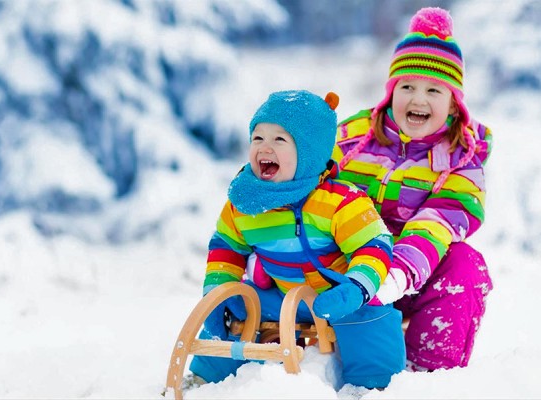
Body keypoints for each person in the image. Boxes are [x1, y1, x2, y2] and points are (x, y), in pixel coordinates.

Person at [187, 90, 406, 390]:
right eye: (258, 138)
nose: (265, 147)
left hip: (338, 297)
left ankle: (374, 385)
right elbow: (227, 247)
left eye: (279, 140)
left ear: (309, 153)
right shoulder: (246, 204)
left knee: (372, 316)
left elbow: (374, 245)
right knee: (235, 303)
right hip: (281, 295)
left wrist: (356, 287)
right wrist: (218, 289)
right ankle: (206, 377)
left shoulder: (339, 201)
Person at [331, 7, 493, 372]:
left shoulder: (461, 160)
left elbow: (436, 223)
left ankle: (425, 371)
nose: (418, 100)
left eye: (433, 90)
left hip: (407, 276)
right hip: (342, 266)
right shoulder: (351, 138)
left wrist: (392, 278)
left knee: (467, 267)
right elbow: (311, 181)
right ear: (390, 92)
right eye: (407, 86)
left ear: (454, 103)